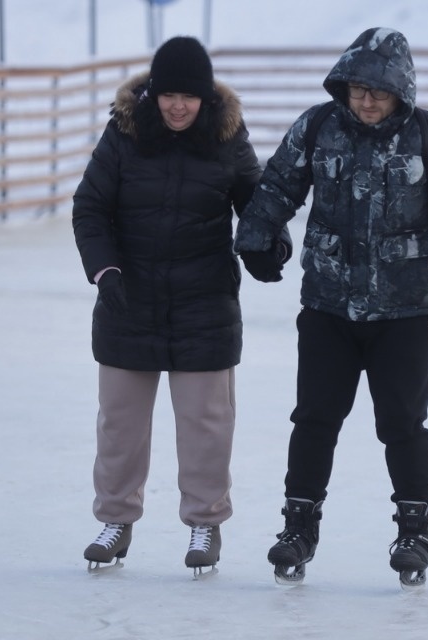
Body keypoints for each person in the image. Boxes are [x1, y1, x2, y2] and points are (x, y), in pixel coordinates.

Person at [233, 27, 428, 587]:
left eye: (377, 93)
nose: (365, 101)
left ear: (401, 93)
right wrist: (255, 242)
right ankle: (297, 528)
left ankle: (415, 530)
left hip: (403, 313)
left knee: (403, 424)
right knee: (314, 420)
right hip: (327, 307)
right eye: (358, 89)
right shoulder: (318, 126)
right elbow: (277, 188)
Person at [72, 36, 276, 574]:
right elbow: (89, 207)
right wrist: (105, 269)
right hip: (127, 299)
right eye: (168, 95)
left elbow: (256, 203)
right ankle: (116, 520)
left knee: (206, 422)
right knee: (120, 423)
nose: (178, 106)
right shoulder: (124, 135)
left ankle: (205, 526)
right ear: (154, 95)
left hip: (203, 302)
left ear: (206, 97)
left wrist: (266, 247)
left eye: (189, 95)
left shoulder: (227, 139)